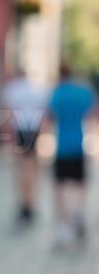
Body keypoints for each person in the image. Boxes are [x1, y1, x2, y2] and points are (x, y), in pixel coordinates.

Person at [47, 62, 96, 247]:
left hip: (61, 147)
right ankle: (79, 211)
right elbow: (91, 115)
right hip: (79, 145)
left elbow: (50, 117)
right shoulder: (83, 93)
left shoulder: (57, 94)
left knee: (59, 186)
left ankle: (63, 223)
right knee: (80, 183)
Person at [1, 66, 50, 224]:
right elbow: (45, 113)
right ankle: (30, 202)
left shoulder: (12, 89)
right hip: (33, 128)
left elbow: (8, 112)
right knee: (32, 168)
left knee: (20, 168)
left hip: (20, 129)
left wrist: (9, 135)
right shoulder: (39, 90)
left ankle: (24, 203)